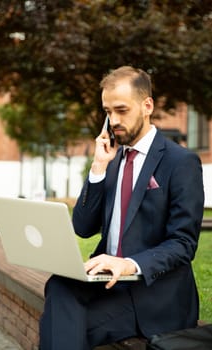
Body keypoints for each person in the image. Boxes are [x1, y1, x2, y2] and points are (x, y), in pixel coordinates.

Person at [39, 66, 204, 350]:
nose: (113, 120)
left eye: (121, 110)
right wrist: (98, 168)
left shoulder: (181, 162)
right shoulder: (112, 160)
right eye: (107, 111)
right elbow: (83, 227)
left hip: (151, 295)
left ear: (147, 106)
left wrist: (128, 263)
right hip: (106, 283)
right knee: (58, 285)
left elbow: (183, 244)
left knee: (60, 328)